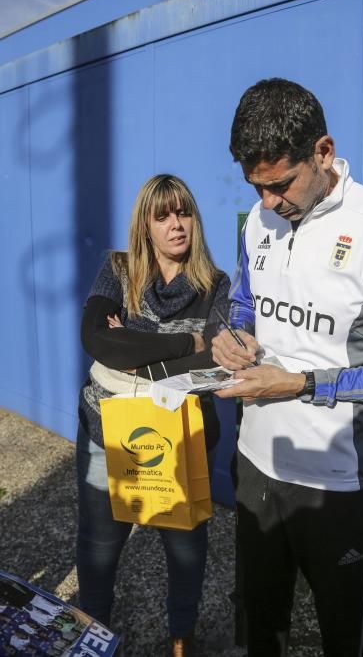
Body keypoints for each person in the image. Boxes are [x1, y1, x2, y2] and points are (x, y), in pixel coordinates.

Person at [212, 78, 363, 656]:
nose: (267, 203)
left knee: (343, 631)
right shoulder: (258, 221)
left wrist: (303, 384)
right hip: (256, 464)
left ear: (323, 152)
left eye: (280, 185)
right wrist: (232, 336)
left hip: (337, 483)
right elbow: (245, 303)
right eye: (255, 188)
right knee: (259, 618)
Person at [77, 174, 230, 657]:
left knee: (185, 553)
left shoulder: (215, 284)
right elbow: (98, 341)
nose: (176, 224)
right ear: (145, 225)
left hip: (180, 440)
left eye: (183, 212)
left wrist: (133, 344)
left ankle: (181, 637)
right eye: (162, 215)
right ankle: (93, 636)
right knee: (99, 551)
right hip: (107, 435)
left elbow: (213, 365)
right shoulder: (117, 270)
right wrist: (189, 342)